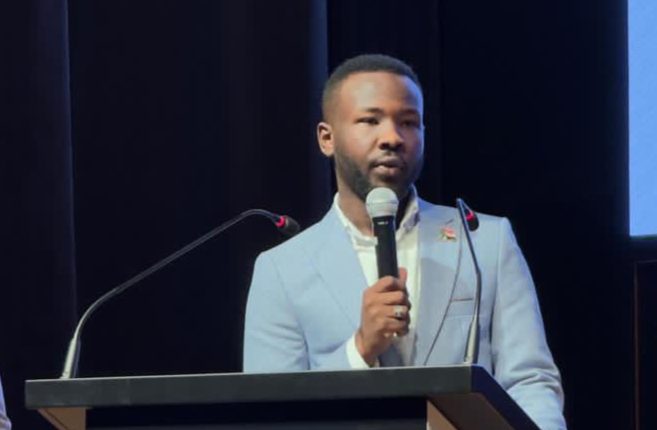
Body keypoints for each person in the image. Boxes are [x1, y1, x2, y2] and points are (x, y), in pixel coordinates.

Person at [243, 54, 566, 429]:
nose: (392, 138)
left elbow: (530, 382)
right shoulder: (281, 270)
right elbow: (269, 413)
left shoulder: (484, 243)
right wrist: (361, 348)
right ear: (327, 138)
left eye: (409, 122)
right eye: (370, 120)